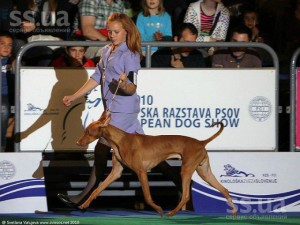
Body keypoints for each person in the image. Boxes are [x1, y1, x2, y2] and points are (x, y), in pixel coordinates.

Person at [56, 12, 146, 208]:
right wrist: (74, 96)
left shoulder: (130, 54)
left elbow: (132, 88)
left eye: (116, 32)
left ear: (126, 32)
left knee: (101, 149)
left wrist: (123, 85)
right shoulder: (106, 50)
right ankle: (180, 183)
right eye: (109, 31)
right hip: (111, 110)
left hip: (124, 110)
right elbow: (96, 77)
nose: (112, 35)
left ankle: (82, 199)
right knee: (146, 152)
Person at [0, 31, 14, 151]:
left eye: (9, 45)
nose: (6, 47)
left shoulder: (14, 61)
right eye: (2, 44)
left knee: (3, 108)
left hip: (5, 95)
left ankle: (1, 147)